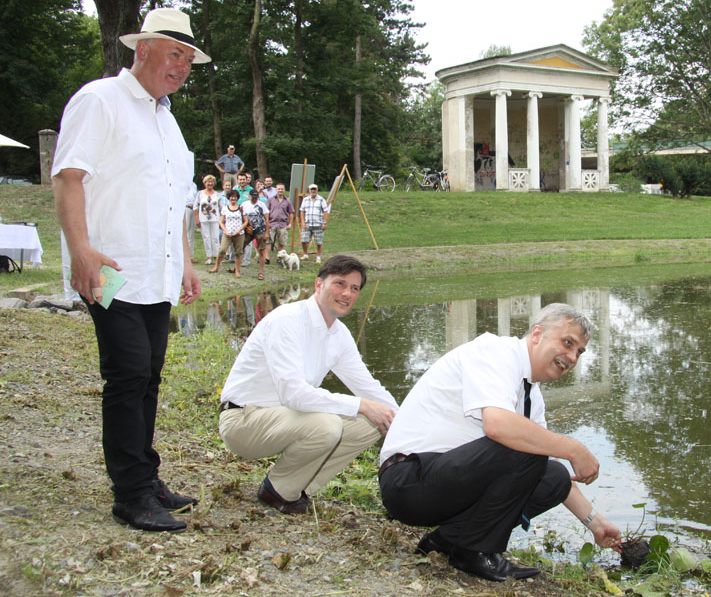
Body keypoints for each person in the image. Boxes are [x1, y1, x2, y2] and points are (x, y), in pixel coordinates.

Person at [51, 7, 208, 532]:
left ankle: (146, 476)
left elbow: (175, 200)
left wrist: (186, 263)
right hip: (111, 267)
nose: (182, 66)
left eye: (188, 59)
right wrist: (81, 252)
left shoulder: (167, 119)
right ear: (143, 49)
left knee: (149, 378)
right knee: (128, 375)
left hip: (157, 272)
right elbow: (69, 177)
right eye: (174, 55)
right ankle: (131, 494)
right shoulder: (101, 101)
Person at [378, 303, 622, 582]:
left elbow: (545, 461)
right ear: (537, 333)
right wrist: (574, 448)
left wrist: (595, 523)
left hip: (446, 483)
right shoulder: (495, 351)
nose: (572, 357)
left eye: (579, 351)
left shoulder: (531, 393)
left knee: (554, 477)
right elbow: (498, 426)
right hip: (408, 480)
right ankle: (475, 551)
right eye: (567, 343)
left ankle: (449, 541)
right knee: (527, 447)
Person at [218, 255, 398, 514]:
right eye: (339, 283)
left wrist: (405, 426)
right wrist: (360, 404)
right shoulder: (287, 320)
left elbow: (369, 388)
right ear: (318, 284)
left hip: (287, 419)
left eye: (354, 288)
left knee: (375, 421)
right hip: (243, 420)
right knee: (328, 425)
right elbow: (294, 394)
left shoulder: (338, 333)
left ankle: (295, 488)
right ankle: (276, 491)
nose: (347, 293)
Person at [208, 189, 247, 277]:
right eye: (231, 197)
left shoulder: (241, 208)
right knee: (222, 250)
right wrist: (225, 231)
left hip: (239, 234)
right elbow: (221, 222)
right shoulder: (225, 208)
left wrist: (239, 230)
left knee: (238, 252)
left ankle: (237, 270)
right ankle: (216, 267)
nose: (233, 198)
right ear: (229, 198)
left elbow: (246, 221)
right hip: (227, 233)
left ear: (237, 198)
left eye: (235, 197)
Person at [194, 175, 223, 265]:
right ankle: (209, 257)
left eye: (211, 182)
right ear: (205, 183)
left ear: (214, 183)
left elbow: (221, 208)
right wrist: (197, 219)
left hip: (215, 218)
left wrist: (221, 221)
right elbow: (195, 207)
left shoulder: (217, 195)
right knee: (206, 238)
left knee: (215, 238)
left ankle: (217, 256)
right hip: (203, 218)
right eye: (208, 182)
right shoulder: (200, 194)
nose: (209, 184)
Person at [242, 188, 270, 280]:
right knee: (240, 247)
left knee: (262, 250)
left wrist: (266, 232)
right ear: (249, 196)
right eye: (253, 197)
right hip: (248, 230)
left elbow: (266, 219)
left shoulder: (262, 205)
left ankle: (261, 272)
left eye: (256, 198)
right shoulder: (244, 205)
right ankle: (237, 268)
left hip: (260, 230)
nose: (254, 199)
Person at [299, 183, 329, 263]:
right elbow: (302, 211)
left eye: (314, 189)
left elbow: (326, 211)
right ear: (309, 190)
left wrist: (324, 223)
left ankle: (318, 257)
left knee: (319, 242)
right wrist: (302, 222)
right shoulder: (305, 199)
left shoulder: (321, 199)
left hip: (318, 224)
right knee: (303, 240)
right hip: (307, 223)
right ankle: (305, 255)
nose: (313, 191)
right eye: (311, 189)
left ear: (317, 190)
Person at [267, 182, 293, 255]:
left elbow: (291, 212)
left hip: (283, 224)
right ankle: (267, 258)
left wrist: (290, 224)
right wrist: (267, 223)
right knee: (268, 242)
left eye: (282, 189)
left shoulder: (287, 200)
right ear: (276, 190)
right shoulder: (271, 199)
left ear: (284, 190)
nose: (280, 190)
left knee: (282, 242)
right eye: (279, 189)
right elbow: (266, 212)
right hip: (272, 223)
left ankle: (280, 257)